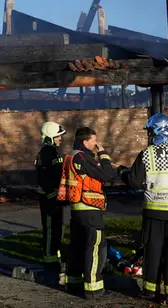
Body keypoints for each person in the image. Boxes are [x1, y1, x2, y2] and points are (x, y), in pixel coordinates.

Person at [116, 113, 168, 304]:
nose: (149, 135)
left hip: (153, 212)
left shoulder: (147, 153)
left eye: (151, 131)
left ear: (157, 131)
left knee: (153, 251)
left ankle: (150, 291)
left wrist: (122, 172)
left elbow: (134, 181)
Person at [61, 127, 120, 300]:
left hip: (78, 210)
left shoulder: (71, 156)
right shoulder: (82, 157)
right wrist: (103, 154)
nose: (96, 144)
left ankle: (73, 282)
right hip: (90, 210)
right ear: (85, 142)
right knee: (94, 248)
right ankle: (93, 289)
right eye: (94, 141)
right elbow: (107, 175)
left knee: (77, 247)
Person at [35, 121, 67, 275]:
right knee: (50, 229)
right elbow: (42, 177)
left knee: (57, 228)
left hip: (55, 197)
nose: (60, 139)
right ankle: (49, 260)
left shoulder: (53, 152)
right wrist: (52, 195)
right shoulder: (45, 153)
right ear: (50, 137)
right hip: (48, 198)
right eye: (58, 136)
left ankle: (55, 256)